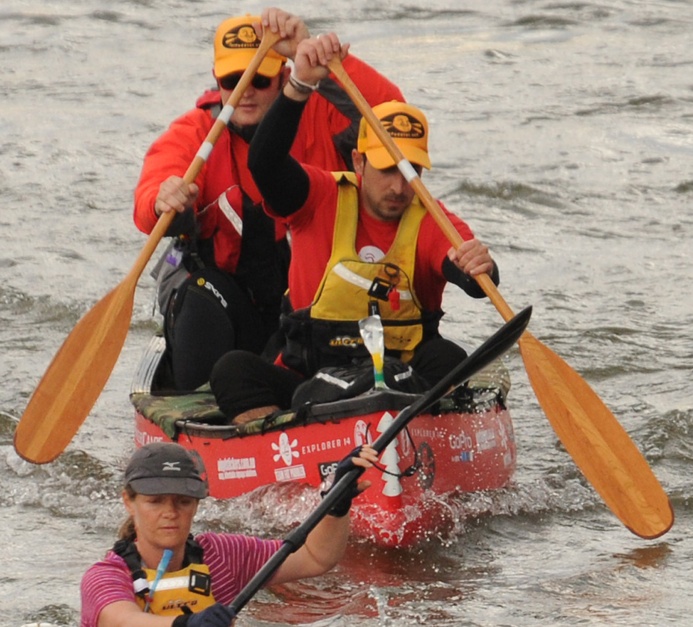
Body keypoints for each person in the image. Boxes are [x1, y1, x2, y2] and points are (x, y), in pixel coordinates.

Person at [209, 34, 501, 424]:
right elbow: (264, 163)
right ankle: (287, 449)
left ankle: (398, 425)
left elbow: (476, 280)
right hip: (311, 374)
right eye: (386, 171)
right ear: (358, 163)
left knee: (449, 359)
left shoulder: (431, 216)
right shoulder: (319, 196)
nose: (399, 187)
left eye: (410, 172)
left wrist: (479, 267)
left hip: (403, 378)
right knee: (232, 370)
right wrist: (298, 87)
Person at [134, 8, 404, 392]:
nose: (244, 91)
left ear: (281, 77)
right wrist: (163, 198)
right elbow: (150, 196)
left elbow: (392, 119)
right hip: (229, 304)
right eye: (232, 79)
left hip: (317, 303)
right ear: (217, 80)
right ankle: (198, 407)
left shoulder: (322, 112)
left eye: (259, 79)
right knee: (198, 293)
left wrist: (323, 61)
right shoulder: (194, 133)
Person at [80, 441, 377, 626]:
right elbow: (120, 620)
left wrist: (336, 504)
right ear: (129, 502)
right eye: (155, 502)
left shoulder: (221, 556)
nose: (170, 512)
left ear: (196, 505)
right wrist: (188, 624)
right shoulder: (106, 575)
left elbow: (316, 557)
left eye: (183, 502)